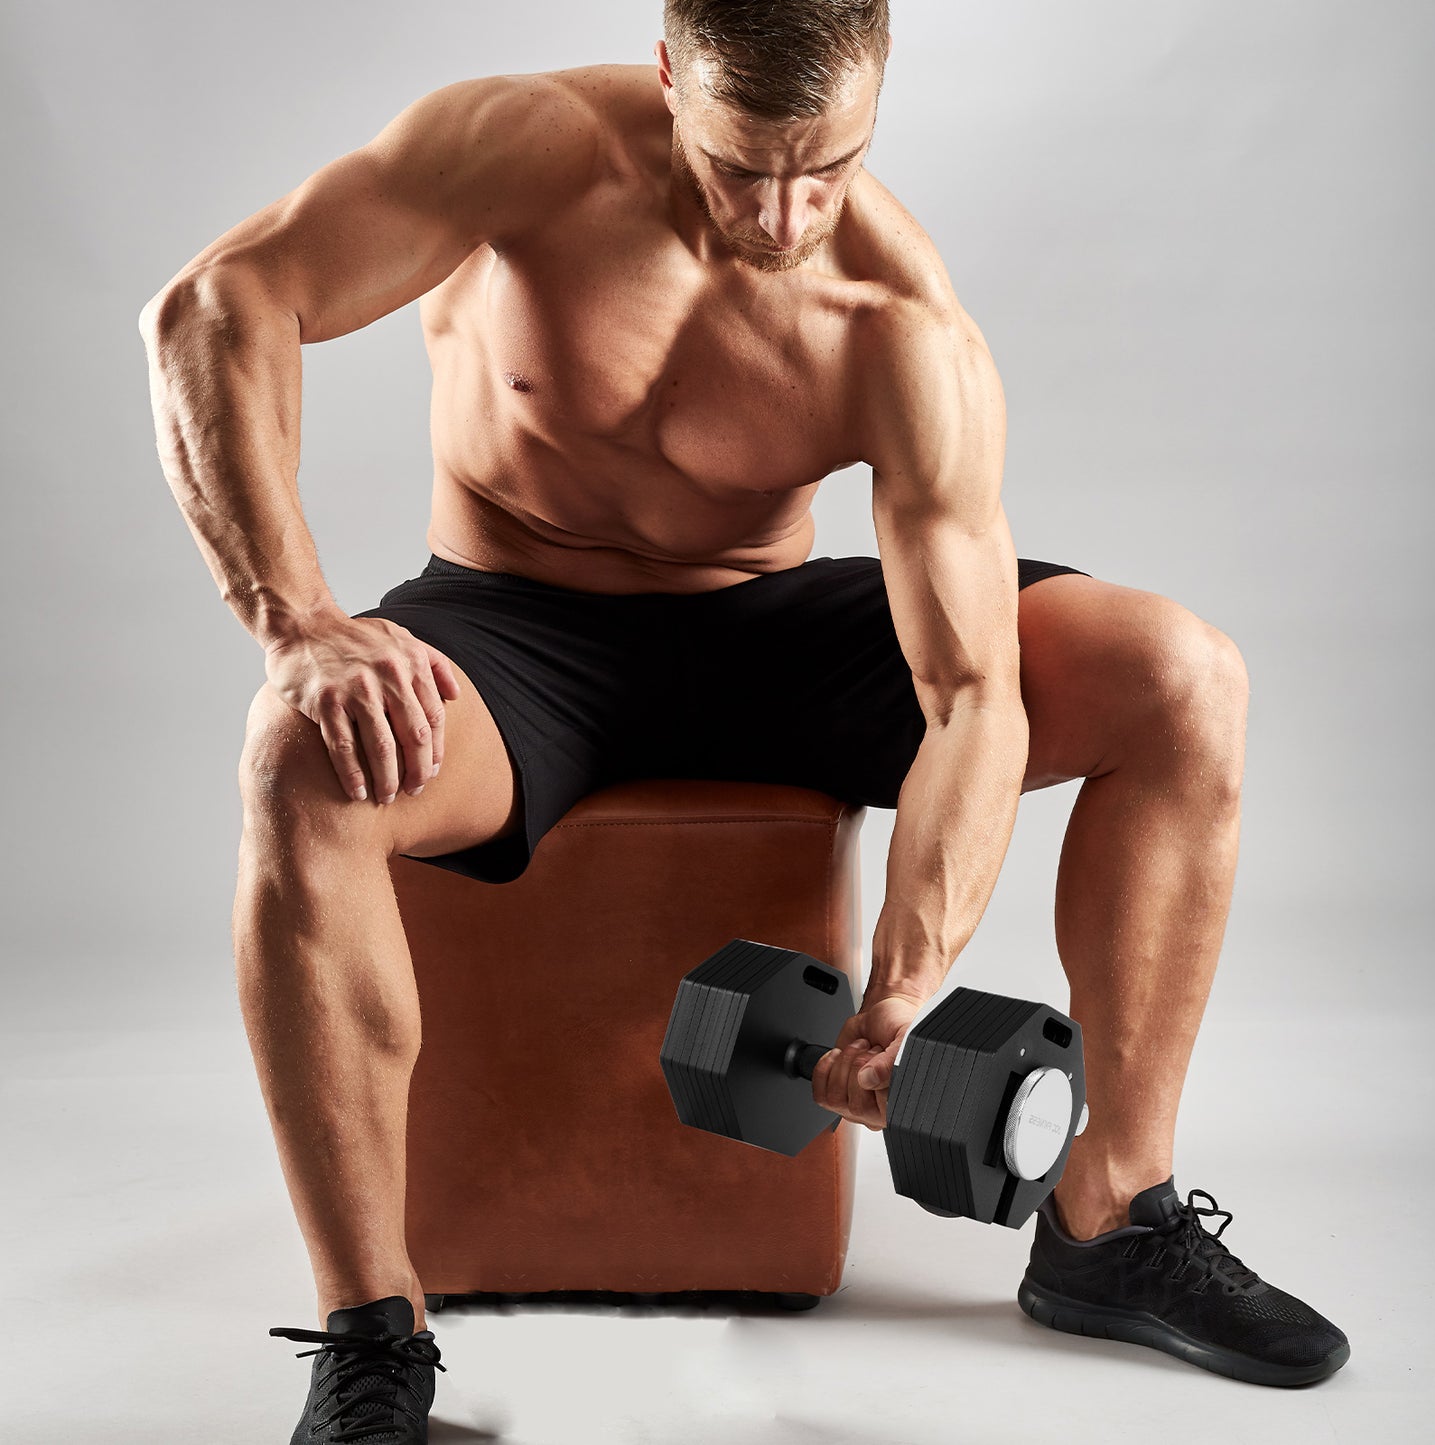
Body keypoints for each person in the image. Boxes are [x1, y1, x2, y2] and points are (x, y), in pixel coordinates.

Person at [139, 1, 1349, 1436]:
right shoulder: (525, 149)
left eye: (826, 168)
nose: (781, 217)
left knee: (1180, 675)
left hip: (768, 626)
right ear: (671, 79)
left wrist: (905, 984)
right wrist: (297, 621)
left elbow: (969, 698)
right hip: (516, 624)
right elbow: (219, 304)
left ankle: (1111, 1217)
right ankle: (371, 1333)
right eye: (736, 167)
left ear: (877, 102)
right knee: (301, 760)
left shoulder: (896, 322)